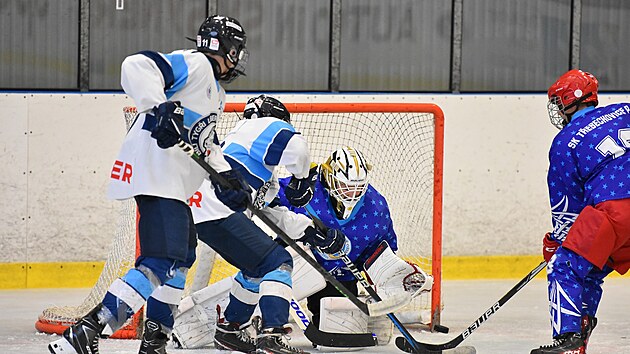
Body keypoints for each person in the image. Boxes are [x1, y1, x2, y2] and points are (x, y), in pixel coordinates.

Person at [48, 15, 251, 354]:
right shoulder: (196, 64)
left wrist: (226, 175)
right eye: (237, 50)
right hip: (159, 180)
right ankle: (87, 331)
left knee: (181, 259)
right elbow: (137, 64)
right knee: (160, 260)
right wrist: (159, 107)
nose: (238, 59)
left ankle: (155, 340)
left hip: (173, 187)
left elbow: (205, 142)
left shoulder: (216, 93)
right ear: (227, 48)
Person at [183, 94, 343, 354]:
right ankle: (272, 334)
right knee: (278, 261)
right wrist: (301, 179)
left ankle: (230, 329)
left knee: (256, 267)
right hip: (216, 207)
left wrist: (310, 231)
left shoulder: (253, 159)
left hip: (204, 212)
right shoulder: (257, 126)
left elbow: (273, 213)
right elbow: (298, 147)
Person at [274, 146, 433, 343]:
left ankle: (370, 317)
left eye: (359, 187)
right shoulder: (307, 188)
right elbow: (268, 199)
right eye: (346, 186)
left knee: (341, 337)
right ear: (331, 180)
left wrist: (397, 274)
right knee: (268, 301)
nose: (352, 193)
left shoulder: (376, 207)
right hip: (295, 260)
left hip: (340, 276)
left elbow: (382, 252)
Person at [530, 69, 630, 354]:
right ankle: (581, 328)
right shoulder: (626, 110)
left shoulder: (566, 141)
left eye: (559, 103)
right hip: (618, 215)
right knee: (592, 267)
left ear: (569, 102)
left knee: (565, 266)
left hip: (616, 211)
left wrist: (557, 243)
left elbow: (568, 208)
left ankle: (569, 342)